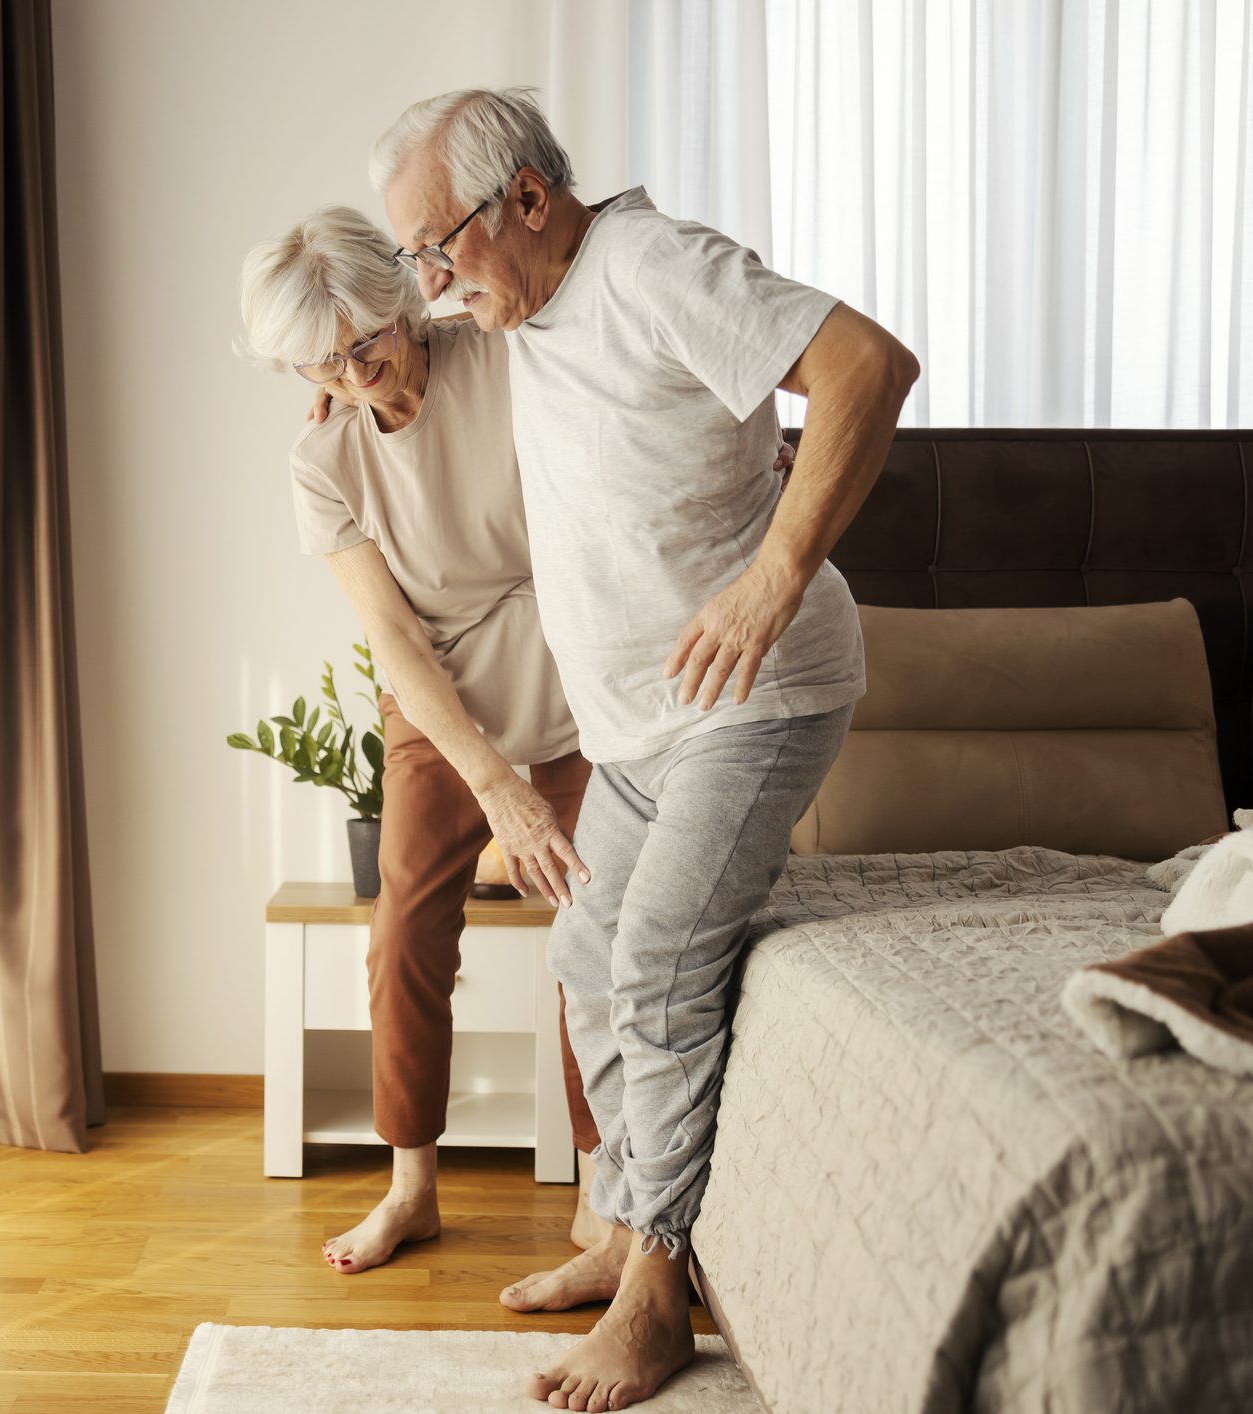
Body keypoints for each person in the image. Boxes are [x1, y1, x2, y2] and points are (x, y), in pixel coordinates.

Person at [375, 88, 919, 1411]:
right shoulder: (510, 303)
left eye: (438, 245)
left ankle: (659, 1287)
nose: (431, 280)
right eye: (416, 259)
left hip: (754, 698)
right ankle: (620, 1221)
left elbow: (868, 364)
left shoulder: (653, 266)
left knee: (661, 962)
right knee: (582, 948)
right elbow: (368, 333)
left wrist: (774, 573)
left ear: (526, 202)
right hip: (636, 736)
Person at [238, 205, 608, 1273]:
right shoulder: (324, 459)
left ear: (402, 297)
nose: (355, 373)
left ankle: (603, 1178)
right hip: (439, 686)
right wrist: (493, 782)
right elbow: (392, 638)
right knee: (405, 921)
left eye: (368, 341)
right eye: (324, 360)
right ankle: (412, 1188)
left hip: (576, 651)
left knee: (596, 924)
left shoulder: (503, 349)